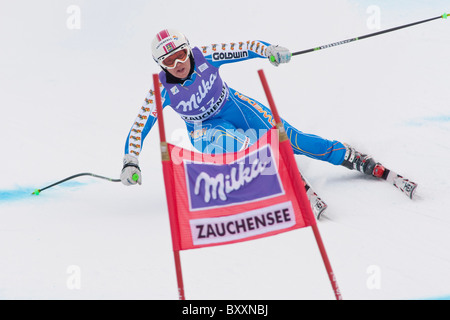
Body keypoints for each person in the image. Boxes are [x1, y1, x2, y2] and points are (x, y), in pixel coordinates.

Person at [120, 29, 390, 195]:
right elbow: (139, 127)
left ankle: (349, 156)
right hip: (204, 128)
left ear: (189, 49)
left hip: (234, 106)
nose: (178, 64)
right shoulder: (161, 90)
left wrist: (269, 50)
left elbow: (244, 48)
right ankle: (280, 174)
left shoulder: (207, 55)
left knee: (293, 140)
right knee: (233, 146)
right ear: (160, 64)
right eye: (169, 61)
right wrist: (130, 161)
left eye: (181, 54)